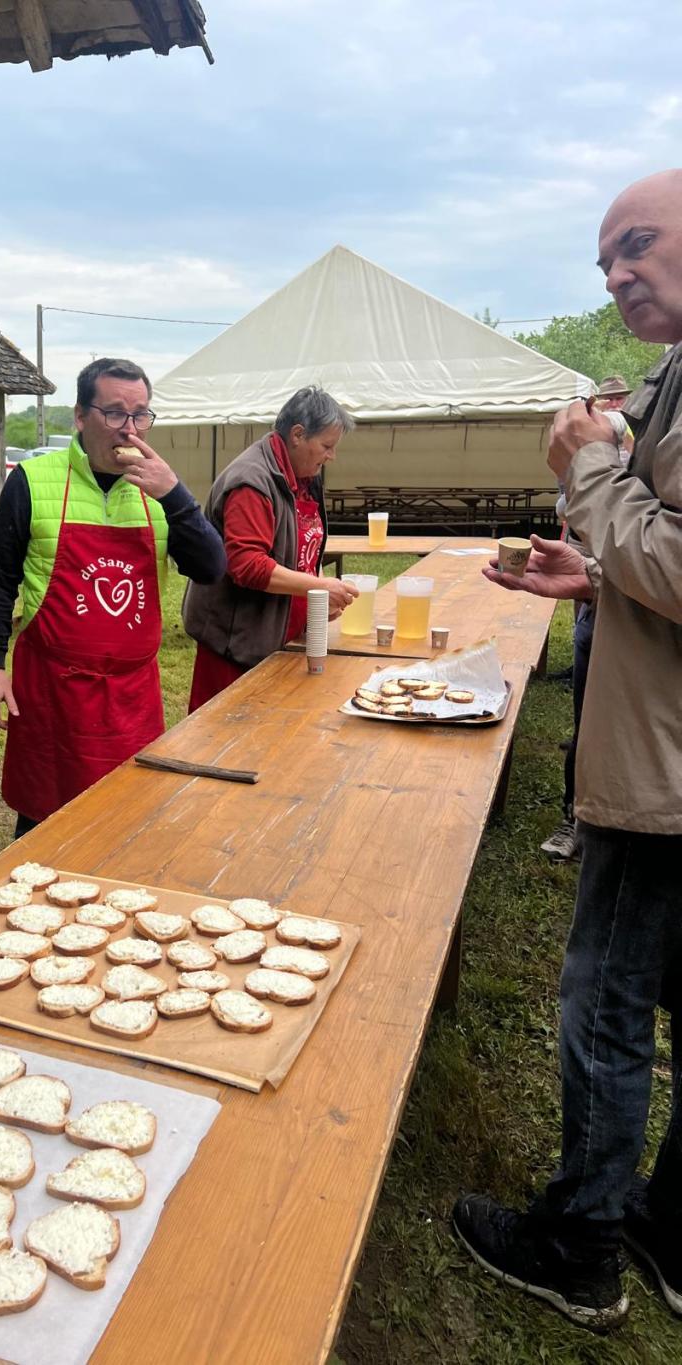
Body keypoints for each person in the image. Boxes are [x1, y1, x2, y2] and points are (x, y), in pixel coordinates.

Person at [452, 169, 682, 1332]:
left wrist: (588, 466)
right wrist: (588, 574)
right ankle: (668, 1222)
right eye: (602, 259)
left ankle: (580, 1244)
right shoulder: (675, 377)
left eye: (636, 245)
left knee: (603, 1006)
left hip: (663, 774)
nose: (614, 274)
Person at [0, 358, 226, 837]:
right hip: (51, 689)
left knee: (128, 816)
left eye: (141, 416)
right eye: (114, 414)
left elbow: (212, 568)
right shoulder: (31, 481)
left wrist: (174, 496)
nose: (129, 430)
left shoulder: (159, 490)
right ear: (80, 416)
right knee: (44, 819)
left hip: (131, 694)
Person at [182, 386, 357, 711]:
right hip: (236, 647)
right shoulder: (252, 481)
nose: (331, 456)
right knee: (223, 742)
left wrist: (316, 600)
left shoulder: (304, 475)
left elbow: (303, 546)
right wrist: (319, 587)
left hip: (279, 636)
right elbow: (247, 565)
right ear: (298, 434)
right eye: (327, 446)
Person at [541, 376, 635, 863]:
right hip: (601, 598)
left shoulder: (630, 446)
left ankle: (604, 827)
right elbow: (572, 508)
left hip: (640, 611)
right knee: (586, 720)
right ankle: (574, 818)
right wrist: (589, 576)